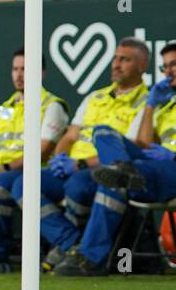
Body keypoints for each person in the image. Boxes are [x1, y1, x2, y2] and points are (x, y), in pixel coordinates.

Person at [16, 38, 149, 270]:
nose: (116, 65)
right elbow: (70, 136)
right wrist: (61, 158)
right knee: (23, 184)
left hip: (100, 171)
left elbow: (125, 152)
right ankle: (72, 243)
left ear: (142, 65)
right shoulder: (94, 97)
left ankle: (74, 249)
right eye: (115, 58)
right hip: (73, 166)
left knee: (77, 185)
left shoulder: (146, 103)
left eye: (125, 60)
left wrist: (80, 165)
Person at [61, 42, 176, 276]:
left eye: (174, 65)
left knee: (114, 179)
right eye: (165, 67)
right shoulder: (165, 103)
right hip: (151, 168)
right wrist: (151, 105)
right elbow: (143, 143)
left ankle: (90, 258)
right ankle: (121, 168)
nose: (168, 71)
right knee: (103, 133)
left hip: (171, 170)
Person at [0, 49, 69, 272]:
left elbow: (43, 151)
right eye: (15, 69)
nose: (19, 75)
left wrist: (3, 167)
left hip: (38, 173)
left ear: (40, 74)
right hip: (3, 171)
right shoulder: (3, 110)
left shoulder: (52, 106)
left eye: (25, 69)